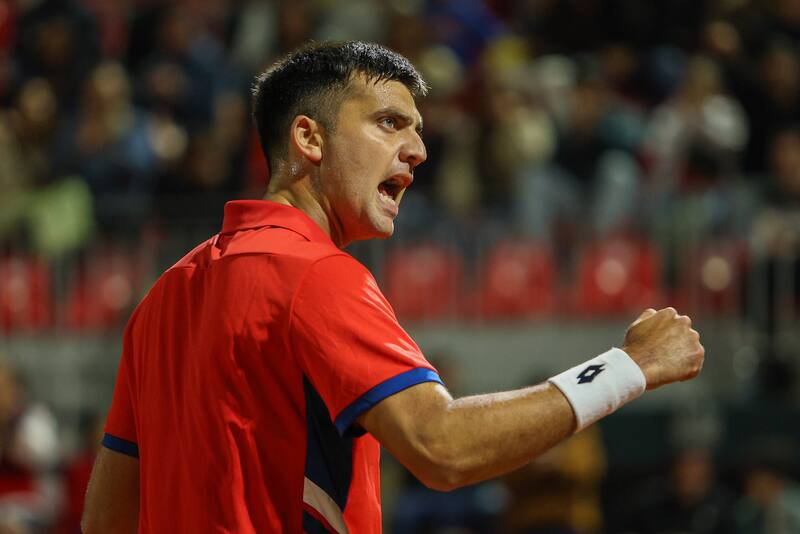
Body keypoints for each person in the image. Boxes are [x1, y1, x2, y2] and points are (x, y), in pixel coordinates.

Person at [81, 41, 705, 533]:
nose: (419, 150)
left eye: (417, 129)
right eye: (389, 123)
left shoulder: (161, 297)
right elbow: (442, 447)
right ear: (309, 138)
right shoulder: (316, 274)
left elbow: (107, 520)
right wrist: (630, 367)